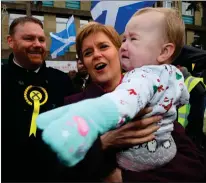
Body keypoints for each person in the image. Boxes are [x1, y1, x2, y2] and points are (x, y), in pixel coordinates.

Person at [36, 11, 205, 182]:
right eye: (87, 53)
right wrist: (103, 143)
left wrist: (125, 178)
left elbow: (193, 167)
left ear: (120, 51)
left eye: (103, 46)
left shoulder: (153, 95)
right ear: (84, 63)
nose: (96, 55)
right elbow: (52, 169)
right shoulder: (72, 104)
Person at [1, 16, 74, 181]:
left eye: (41, 39)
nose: (37, 44)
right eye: (29, 38)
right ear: (10, 41)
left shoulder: (62, 81)